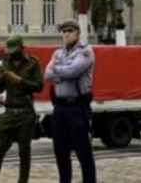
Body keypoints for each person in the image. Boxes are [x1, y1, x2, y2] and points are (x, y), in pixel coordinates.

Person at [45, 19, 97, 183]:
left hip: (76, 107)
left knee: (84, 155)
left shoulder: (86, 51)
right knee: (61, 154)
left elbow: (73, 71)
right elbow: (47, 74)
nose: (66, 34)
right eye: (64, 31)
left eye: (69, 30)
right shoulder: (58, 52)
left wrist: (58, 70)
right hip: (59, 108)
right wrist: (63, 71)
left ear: (77, 33)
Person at [0, 35, 44, 183]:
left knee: (24, 151)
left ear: (21, 47)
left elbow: (39, 86)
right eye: (9, 51)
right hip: (8, 113)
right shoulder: (6, 63)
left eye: (13, 50)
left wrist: (19, 80)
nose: (10, 53)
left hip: (25, 113)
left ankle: (23, 181)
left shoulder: (32, 63)